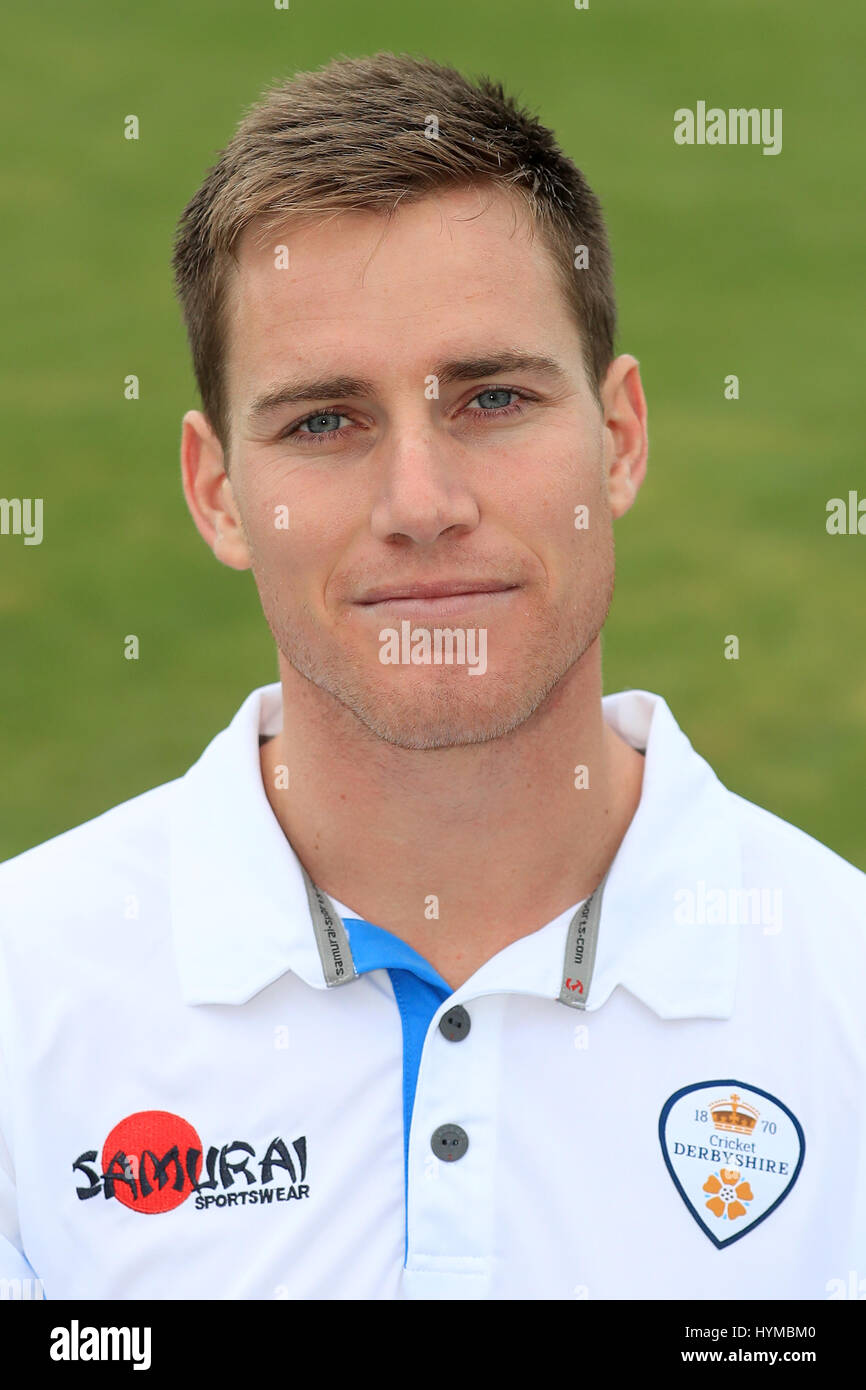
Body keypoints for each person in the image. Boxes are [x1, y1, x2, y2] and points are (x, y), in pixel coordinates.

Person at [1, 51, 864, 1302]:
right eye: (322, 422)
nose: (421, 504)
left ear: (616, 440)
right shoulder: (25, 995)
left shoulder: (842, 990)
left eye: (493, 397)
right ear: (215, 491)